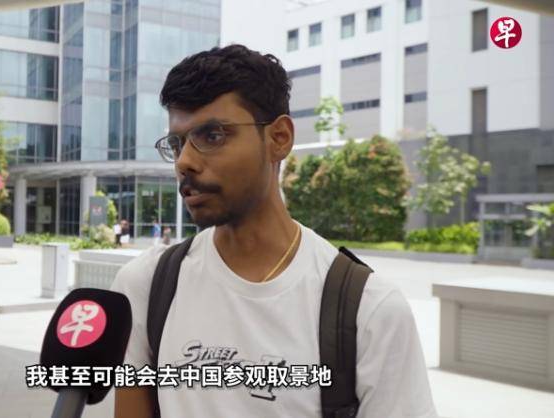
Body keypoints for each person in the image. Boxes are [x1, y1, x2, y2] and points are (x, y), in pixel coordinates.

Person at [111, 45, 437, 418]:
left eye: (213, 135)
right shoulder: (146, 285)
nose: (185, 161)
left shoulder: (369, 310)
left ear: (279, 138)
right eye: (177, 143)